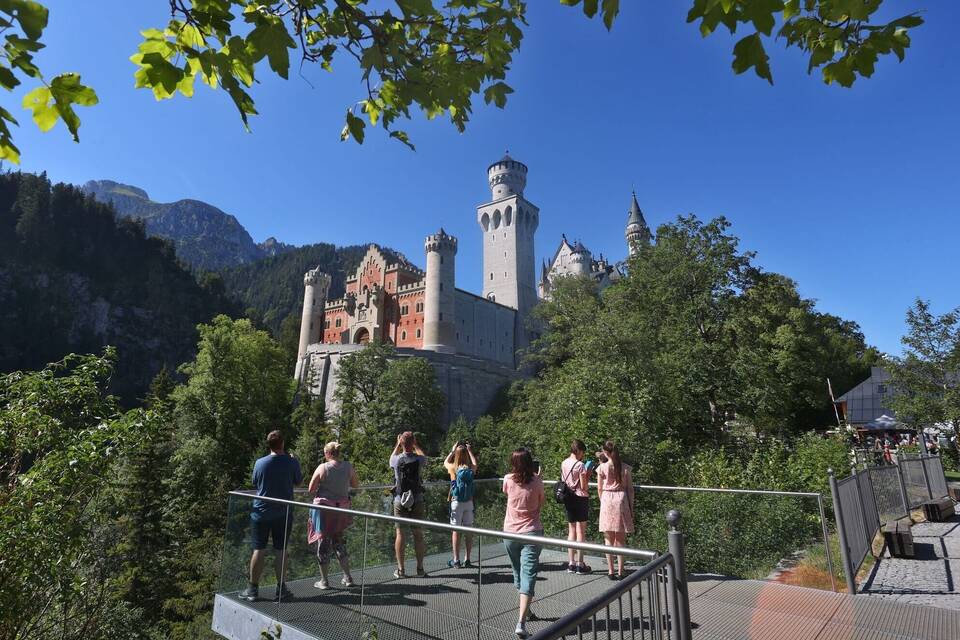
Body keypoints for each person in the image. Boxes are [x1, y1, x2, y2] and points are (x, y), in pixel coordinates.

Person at [240, 430, 303, 602]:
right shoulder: (291, 462)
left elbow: (255, 482)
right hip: (284, 512)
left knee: (258, 549)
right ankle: (281, 589)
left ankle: (252, 590)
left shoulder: (260, 463)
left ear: (269, 445)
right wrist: (293, 460)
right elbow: (298, 481)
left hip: (261, 511)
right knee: (281, 550)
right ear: (282, 443)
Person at [502, 448, 545, 639]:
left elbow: (508, 495)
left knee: (518, 572)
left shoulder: (507, 479)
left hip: (510, 532)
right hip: (532, 533)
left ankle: (524, 612)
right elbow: (540, 502)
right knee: (528, 573)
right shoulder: (537, 481)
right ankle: (521, 621)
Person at [308, 441, 360, 590]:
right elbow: (356, 485)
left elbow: (311, 488)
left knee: (323, 544)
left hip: (324, 511)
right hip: (341, 510)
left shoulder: (323, 467)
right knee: (339, 542)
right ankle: (348, 577)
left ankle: (324, 581)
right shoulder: (348, 467)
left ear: (328, 454)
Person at [390, 431, 429, 578]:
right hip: (417, 499)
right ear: (412, 443)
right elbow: (424, 457)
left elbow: (391, 458)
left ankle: (401, 570)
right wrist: (416, 444)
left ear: (402, 443)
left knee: (400, 534)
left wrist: (397, 444)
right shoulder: (419, 459)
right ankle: (420, 569)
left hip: (400, 500)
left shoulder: (396, 460)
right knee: (418, 534)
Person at [596, 440, 634, 580]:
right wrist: (631, 507)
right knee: (620, 538)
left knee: (608, 537)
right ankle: (620, 570)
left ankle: (610, 570)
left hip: (607, 499)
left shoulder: (601, 468)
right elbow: (630, 490)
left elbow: (599, 489)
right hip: (621, 500)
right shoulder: (625, 468)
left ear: (605, 453)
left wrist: (603, 501)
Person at [444, 440, 478, 568]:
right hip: (469, 502)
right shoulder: (470, 469)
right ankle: (467, 559)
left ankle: (456, 560)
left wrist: (452, 451)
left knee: (456, 531)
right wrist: (470, 451)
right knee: (468, 531)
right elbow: (475, 463)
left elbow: (445, 462)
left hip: (456, 502)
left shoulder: (453, 467)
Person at [560, 439, 593, 574]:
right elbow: (584, 486)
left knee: (571, 530)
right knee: (581, 531)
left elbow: (564, 481)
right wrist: (588, 474)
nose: (582, 456)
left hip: (568, 498)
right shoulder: (580, 465)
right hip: (580, 498)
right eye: (582, 453)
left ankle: (571, 563)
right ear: (578, 451)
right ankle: (580, 564)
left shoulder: (564, 462)